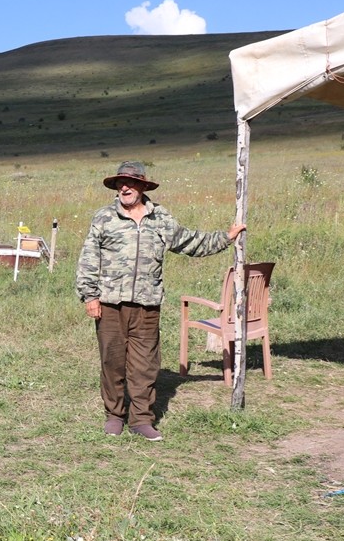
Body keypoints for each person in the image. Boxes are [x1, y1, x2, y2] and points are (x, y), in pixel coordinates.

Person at [76, 161, 246, 441]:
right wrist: (89, 295)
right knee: (112, 361)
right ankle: (115, 416)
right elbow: (89, 259)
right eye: (121, 183)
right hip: (109, 303)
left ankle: (141, 419)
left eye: (131, 183)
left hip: (147, 304)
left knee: (145, 364)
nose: (125, 188)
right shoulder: (104, 218)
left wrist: (225, 238)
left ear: (143, 186)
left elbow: (189, 242)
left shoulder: (160, 219)